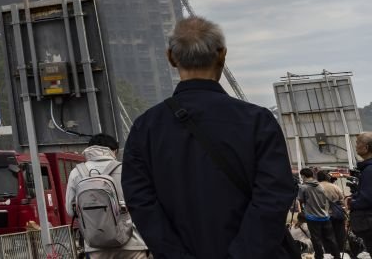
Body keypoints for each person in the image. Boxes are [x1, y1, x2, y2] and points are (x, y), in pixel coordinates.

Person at [122, 16, 297, 258]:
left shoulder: (145, 128)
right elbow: (274, 197)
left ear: (171, 57)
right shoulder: (257, 121)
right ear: (222, 55)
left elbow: (141, 203)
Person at [65, 133, 149, 258]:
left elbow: (70, 211)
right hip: (133, 244)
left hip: (96, 247)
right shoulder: (127, 169)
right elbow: (144, 204)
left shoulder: (76, 173)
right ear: (114, 151)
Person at [298, 167, 342, 258]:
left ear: (303, 176)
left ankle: (319, 257)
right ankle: (337, 256)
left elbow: (301, 200)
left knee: (316, 239)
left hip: (312, 217)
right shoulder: (320, 186)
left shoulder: (303, 187)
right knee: (331, 238)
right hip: (325, 216)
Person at [318, 172, 348, 257]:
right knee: (339, 237)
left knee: (326, 238)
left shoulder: (315, 188)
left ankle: (329, 255)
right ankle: (341, 255)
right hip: (337, 216)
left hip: (322, 216)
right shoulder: (334, 187)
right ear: (327, 177)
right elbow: (342, 201)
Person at [353, 132, 372, 253]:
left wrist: (352, 202)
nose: (356, 146)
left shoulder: (369, 170)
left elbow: (367, 198)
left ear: (366, 148)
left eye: (358, 143)